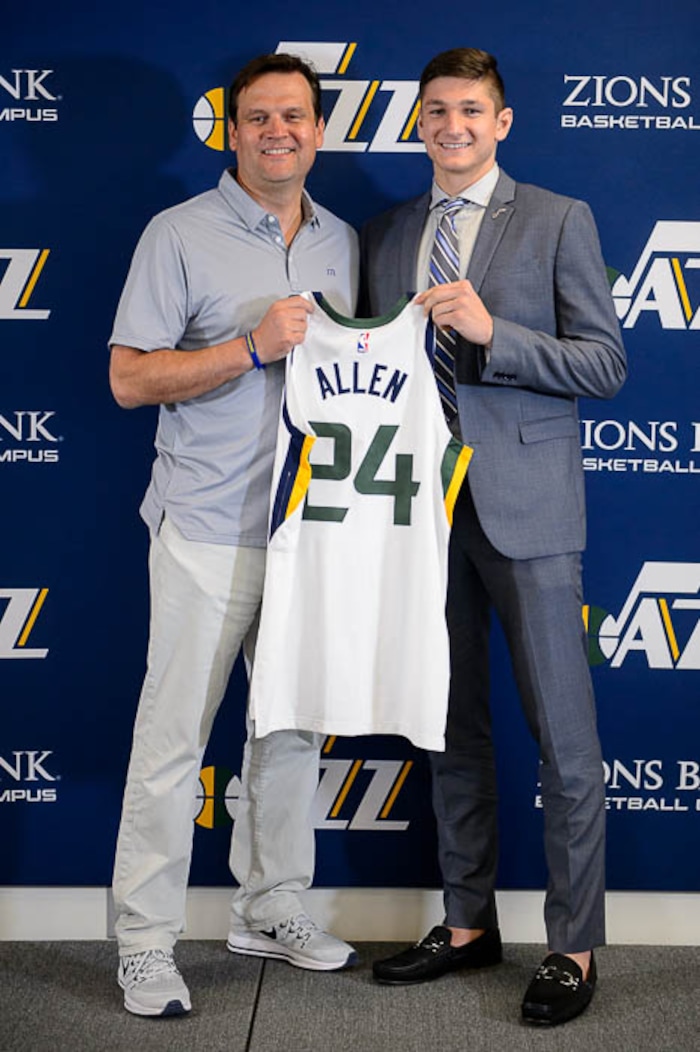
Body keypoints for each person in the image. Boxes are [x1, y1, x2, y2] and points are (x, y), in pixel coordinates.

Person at [361, 47, 626, 1027]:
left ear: (501, 122)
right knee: (450, 731)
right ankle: (468, 920)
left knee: (565, 740)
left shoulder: (557, 219)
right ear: (418, 123)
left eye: (471, 110)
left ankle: (573, 945)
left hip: (527, 514)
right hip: (418, 517)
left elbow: (603, 363)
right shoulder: (389, 233)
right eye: (436, 111)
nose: (453, 126)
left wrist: (489, 332)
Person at [109, 52, 359, 1018]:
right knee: (172, 745)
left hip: (310, 535)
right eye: (258, 118)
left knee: (289, 738)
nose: (278, 133)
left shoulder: (344, 240)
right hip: (208, 528)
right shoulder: (179, 235)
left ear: (318, 129)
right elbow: (131, 380)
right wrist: (250, 347)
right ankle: (143, 943)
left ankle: (271, 905)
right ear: (231, 129)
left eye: (294, 116)